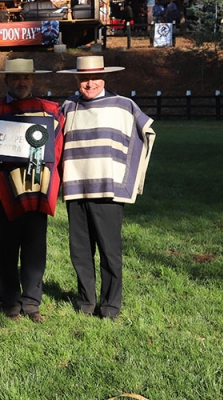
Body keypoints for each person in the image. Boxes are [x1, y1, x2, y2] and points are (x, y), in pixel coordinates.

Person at [0, 59, 64, 323]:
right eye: (16, 78)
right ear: (6, 81)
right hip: (3, 190)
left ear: (33, 80)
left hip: (37, 188)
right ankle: (9, 302)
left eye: (26, 78)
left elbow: (59, 149)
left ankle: (31, 303)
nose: (22, 82)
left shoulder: (49, 112)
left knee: (35, 246)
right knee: (6, 248)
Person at [57, 56, 155, 320]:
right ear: (76, 79)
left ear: (104, 78)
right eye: (83, 78)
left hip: (108, 190)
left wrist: (128, 178)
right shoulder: (67, 107)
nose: (89, 83)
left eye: (94, 78)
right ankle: (85, 301)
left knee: (109, 251)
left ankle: (110, 306)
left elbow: (145, 134)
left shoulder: (124, 106)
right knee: (80, 250)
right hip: (76, 187)